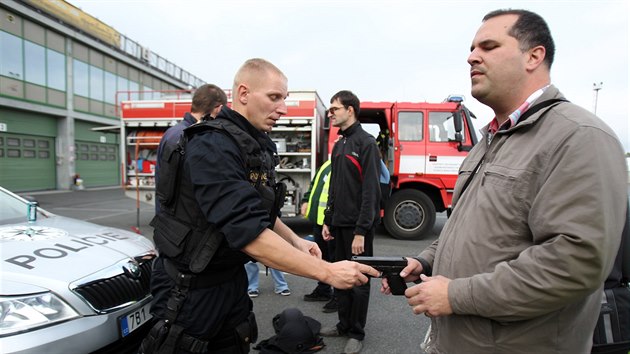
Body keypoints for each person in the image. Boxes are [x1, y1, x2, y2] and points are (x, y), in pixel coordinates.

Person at [381, 9, 627, 354]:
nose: (471, 57)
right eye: (471, 48)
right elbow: (463, 231)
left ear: (534, 56)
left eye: (489, 46)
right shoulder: (490, 140)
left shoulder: (578, 136)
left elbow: (574, 262)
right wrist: (423, 261)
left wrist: (454, 295)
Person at [139, 59, 379, 354]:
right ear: (243, 94)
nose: (283, 108)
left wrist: (294, 241)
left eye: (284, 99)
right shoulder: (213, 144)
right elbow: (249, 233)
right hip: (190, 292)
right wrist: (327, 272)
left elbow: (257, 210)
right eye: (274, 97)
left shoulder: (251, 143)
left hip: (228, 281)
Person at [320, 90, 382, 354]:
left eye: (335, 109)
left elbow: (371, 191)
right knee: (340, 278)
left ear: (350, 110)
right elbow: (334, 186)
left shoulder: (366, 143)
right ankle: (343, 325)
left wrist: (361, 231)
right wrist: (327, 220)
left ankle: (356, 333)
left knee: (358, 282)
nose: (331, 113)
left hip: (357, 229)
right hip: (338, 224)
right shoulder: (340, 143)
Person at [154, 84, 227, 213]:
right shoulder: (193, 137)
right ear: (218, 109)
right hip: (182, 224)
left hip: (166, 220)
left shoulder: (171, 133)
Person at [300, 159, 338, 313]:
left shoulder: (341, 164)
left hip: (331, 223)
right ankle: (323, 290)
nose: (338, 138)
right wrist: (305, 200)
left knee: (335, 260)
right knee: (321, 258)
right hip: (319, 221)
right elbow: (315, 184)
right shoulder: (328, 163)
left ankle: (338, 296)